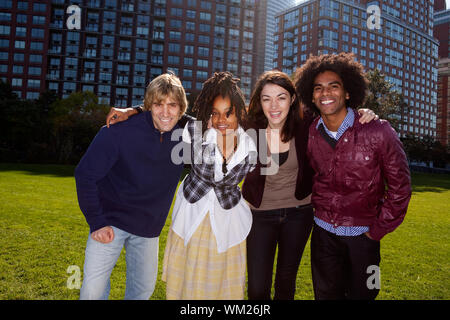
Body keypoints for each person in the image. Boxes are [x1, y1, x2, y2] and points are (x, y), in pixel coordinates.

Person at [242, 70, 378, 300]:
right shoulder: (249, 128)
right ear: (259, 102)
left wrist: (362, 113)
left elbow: (337, 115)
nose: (274, 105)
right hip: (258, 215)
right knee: (257, 288)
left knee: (286, 283)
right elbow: (215, 124)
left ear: (293, 99)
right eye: (267, 98)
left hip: (298, 214)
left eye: (281, 97)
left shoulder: (307, 125)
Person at [294, 52, 411, 300]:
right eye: (318, 88)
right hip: (323, 236)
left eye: (333, 87)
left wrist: (375, 232)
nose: (325, 93)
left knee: (366, 295)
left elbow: (400, 189)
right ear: (311, 96)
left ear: (347, 93)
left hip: (365, 239)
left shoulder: (379, 130)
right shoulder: (310, 132)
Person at [74, 73, 189, 300]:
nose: (166, 112)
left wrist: (133, 109)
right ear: (149, 106)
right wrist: (97, 222)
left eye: (172, 105)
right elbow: (85, 174)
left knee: (141, 293)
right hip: (109, 222)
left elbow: (219, 124)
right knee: (92, 292)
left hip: (148, 228)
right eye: (158, 104)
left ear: (181, 108)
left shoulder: (187, 134)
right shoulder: (117, 131)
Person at [161, 72, 257, 300]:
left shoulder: (251, 144)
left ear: (239, 111)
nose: (221, 120)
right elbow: (162, 112)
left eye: (228, 113)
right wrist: (132, 110)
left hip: (228, 221)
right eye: (215, 113)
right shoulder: (194, 131)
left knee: (221, 289)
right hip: (192, 216)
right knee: (188, 287)